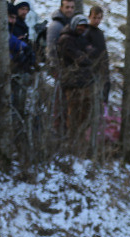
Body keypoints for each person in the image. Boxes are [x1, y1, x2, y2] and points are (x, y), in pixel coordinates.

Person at [56, 13, 93, 142]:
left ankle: (79, 140)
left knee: (83, 111)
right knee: (72, 112)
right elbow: (79, 58)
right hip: (71, 81)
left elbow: (90, 53)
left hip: (81, 81)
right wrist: (86, 56)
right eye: (79, 26)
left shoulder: (79, 38)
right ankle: (71, 140)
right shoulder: (66, 39)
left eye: (84, 26)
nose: (81, 28)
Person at [86, 5, 109, 103]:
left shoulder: (100, 33)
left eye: (99, 18)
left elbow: (103, 51)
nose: (96, 20)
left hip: (101, 68)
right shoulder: (86, 31)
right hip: (90, 68)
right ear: (89, 17)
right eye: (94, 18)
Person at [46, 0, 74, 69]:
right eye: (67, 7)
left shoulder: (71, 23)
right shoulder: (55, 26)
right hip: (59, 68)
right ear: (61, 8)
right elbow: (51, 49)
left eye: (72, 7)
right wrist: (55, 67)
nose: (70, 10)